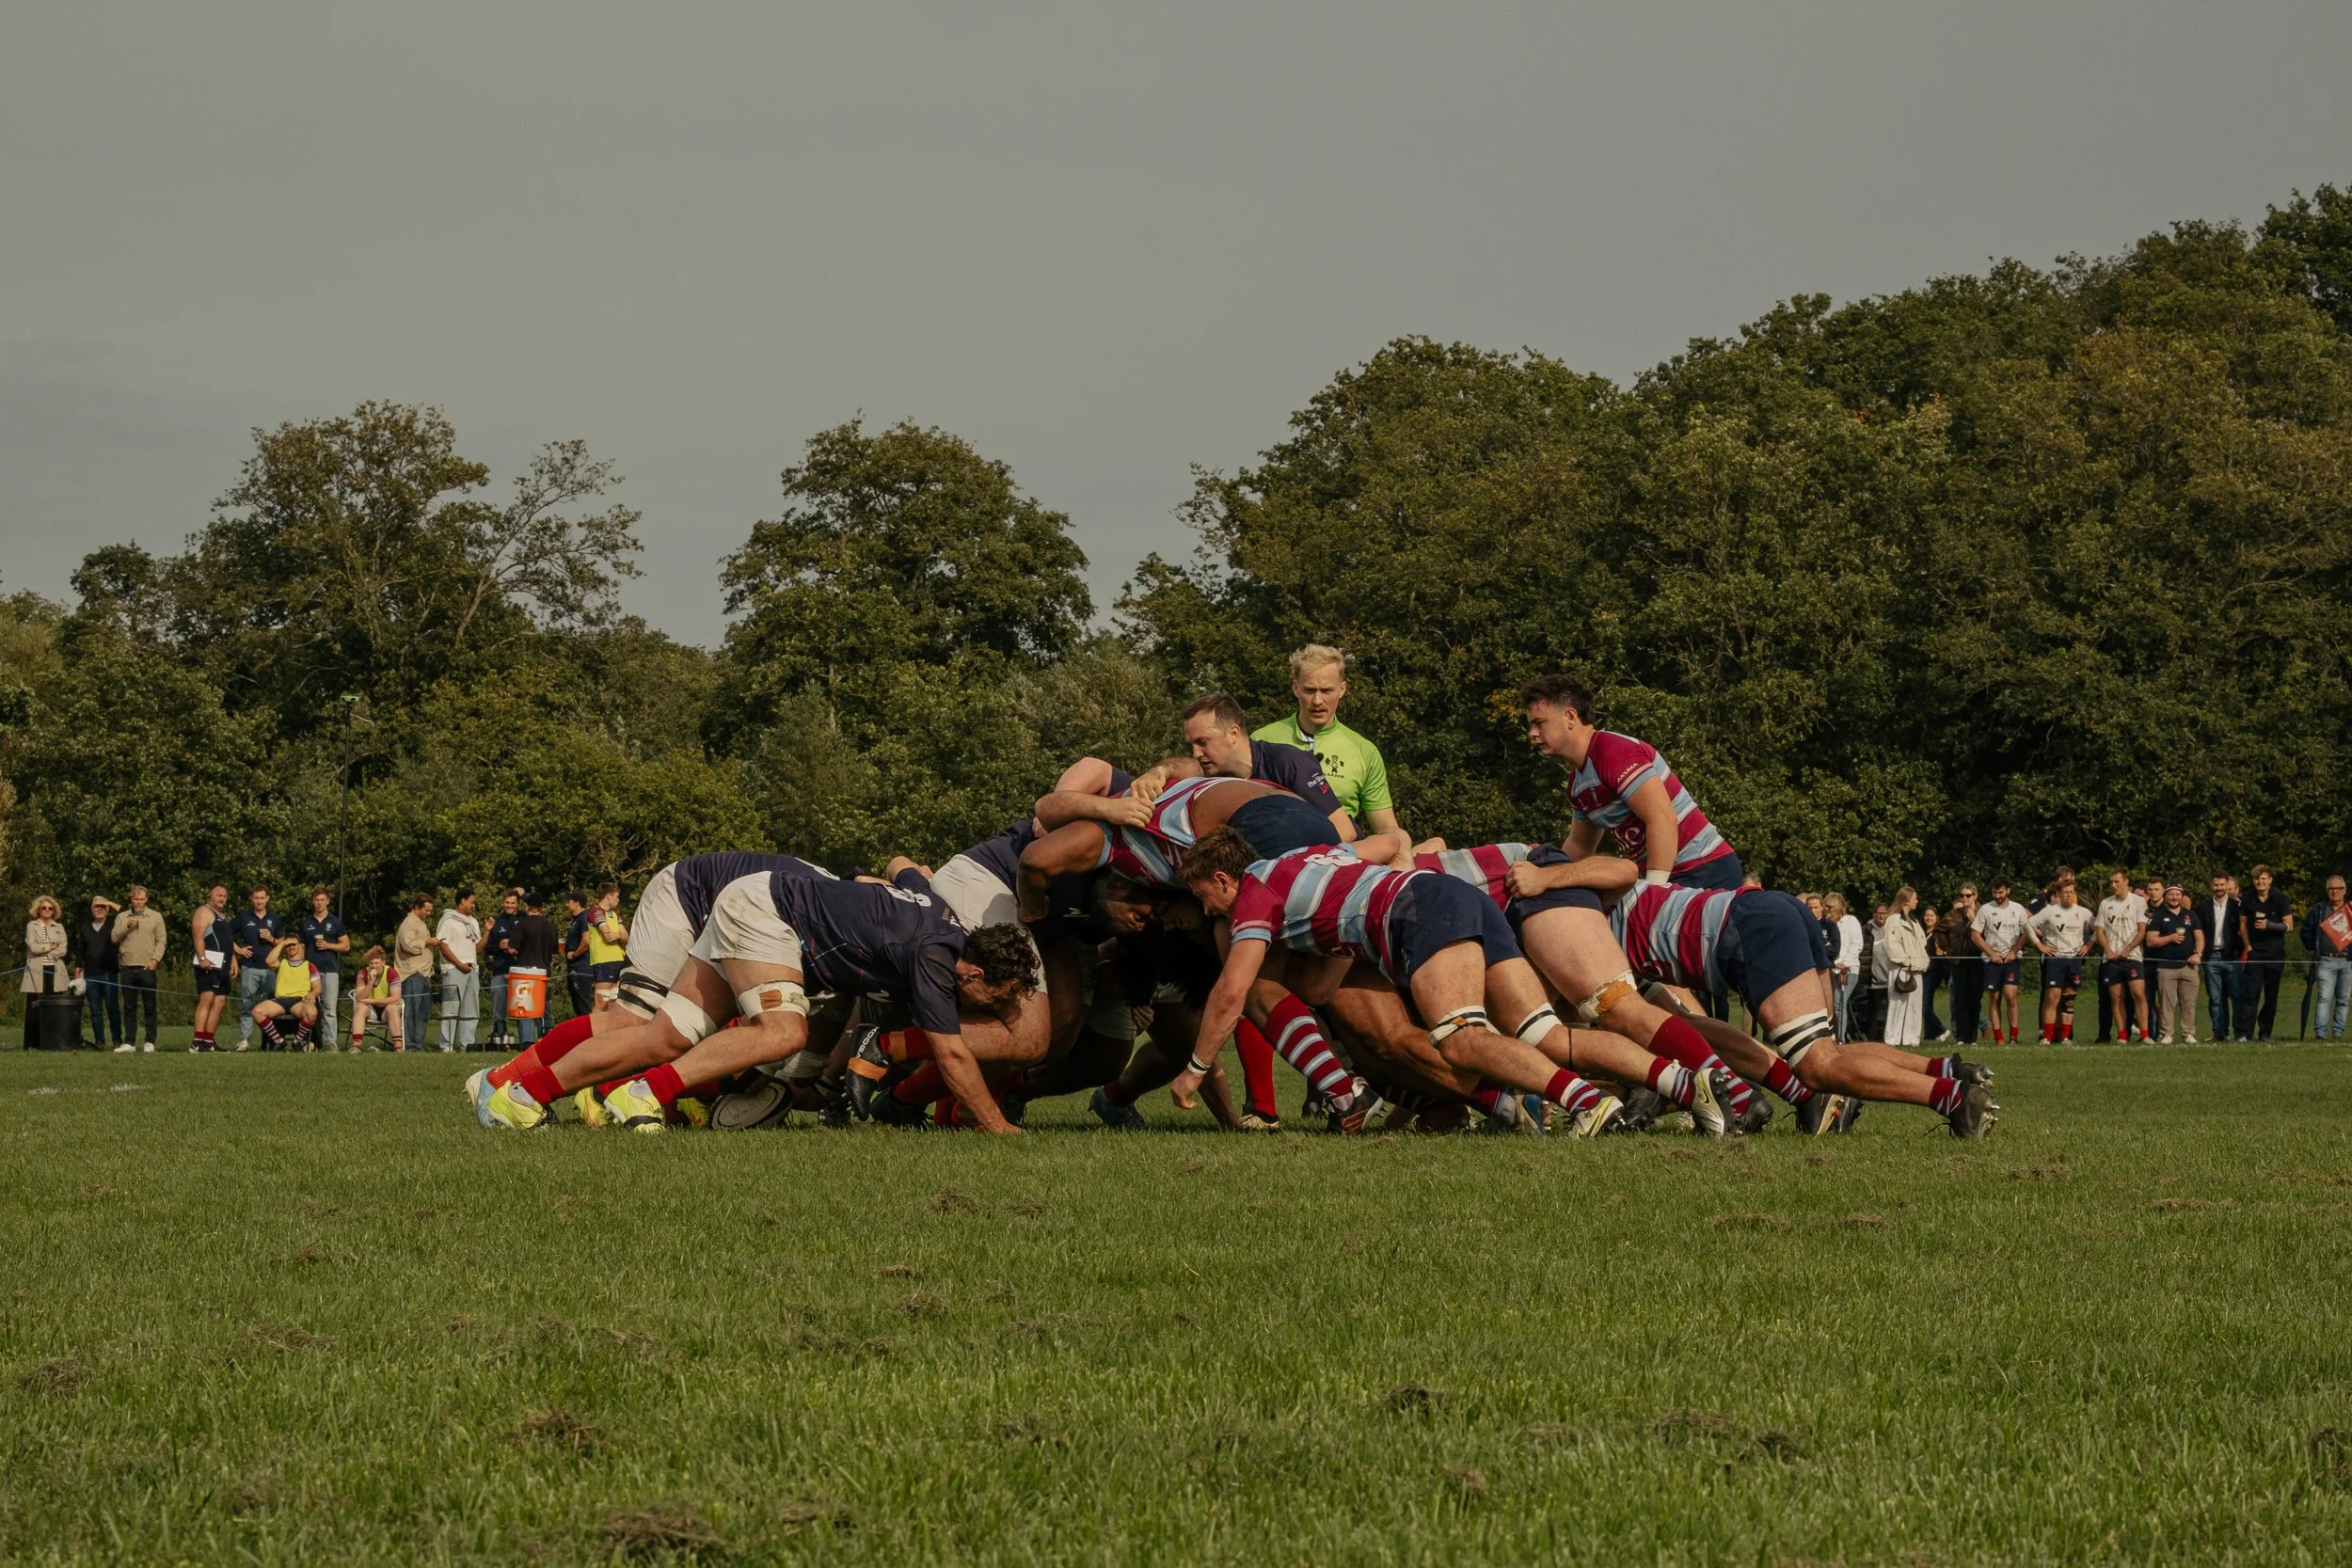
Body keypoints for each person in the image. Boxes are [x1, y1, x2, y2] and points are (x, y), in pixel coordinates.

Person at [1511, 852, 1998, 1138]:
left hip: (1742, 930)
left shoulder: (1571, 911)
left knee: (1818, 1063)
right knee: (1822, 1051)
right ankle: (1945, 1070)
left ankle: (1950, 1099)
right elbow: (1684, 1027)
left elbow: (1614, 870)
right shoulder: (1591, 916)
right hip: (1759, 914)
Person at [1177, 835, 1632, 1137]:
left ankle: (1587, 1101)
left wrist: (1196, 1069)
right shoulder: (1303, 857)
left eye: (1203, 896)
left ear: (1222, 878)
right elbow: (1387, 845)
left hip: (1415, 912)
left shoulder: (1253, 896)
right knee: (1535, 1029)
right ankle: (1646, 1085)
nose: (1207, 909)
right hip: (1446, 894)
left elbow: (1233, 991)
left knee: (1461, 1039)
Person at [1518, 673, 1743, 890]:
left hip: (1705, 867)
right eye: (1531, 725)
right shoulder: (1577, 783)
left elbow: (1662, 818)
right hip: (1673, 873)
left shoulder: (1614, 753)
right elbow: (1579, 846)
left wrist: (1655, 891)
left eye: (1539, 723)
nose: (1532, 733)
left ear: (1570, 717)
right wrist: (1544, 877)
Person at [1251, 644, 1405, 845]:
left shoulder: (1364, 751)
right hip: (1277, 854)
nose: (1317, 700)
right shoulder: (1262, 739)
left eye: (1326, 691)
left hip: (1342, 857)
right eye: (1309, 690)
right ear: (1295, 687)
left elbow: (1386, 827)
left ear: (1342, 689)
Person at [1178, 692, 1355, 843]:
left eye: (1202, 742)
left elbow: (1345, 832)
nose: (1196, 754)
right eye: (1191, 745)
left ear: (1233, 733)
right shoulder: (1215, 782)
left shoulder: (1289, 762)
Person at [2027, 878, 2091, 1043]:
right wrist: (2039, 945)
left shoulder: (2083, 912)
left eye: (2071, 892)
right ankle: (2047, 1037)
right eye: (2065, 893)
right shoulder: (2049, 911)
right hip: (2055, 959)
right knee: (2052, 997)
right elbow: (2027, 925)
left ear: (2074, 894)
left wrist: (2089, 945)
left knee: (2069, 999)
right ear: (2059, 894)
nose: (2068, 895)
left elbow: (2099, 927)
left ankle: (2065, 1037)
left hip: (2074, 959)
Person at [1970, 879, 2031, 1044]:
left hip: (2011, 960)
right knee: (1995, 997)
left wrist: (2014, 951)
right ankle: (1999, 1038)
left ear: (2008, 891)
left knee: (2011, 995)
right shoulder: (1986, 909)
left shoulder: (2017, 909)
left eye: (2001, 893)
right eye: (1995, 893)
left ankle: (2014, 1036)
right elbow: (1975, 934)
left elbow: (2027, 933)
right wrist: (1990, 953)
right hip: (1992, 961)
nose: (1997, 896)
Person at [2093, 867, 2150, 1044]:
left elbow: (2142, 930)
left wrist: (2128, 949)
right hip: (2111, 959)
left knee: (2139, 994)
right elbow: (2099, 931)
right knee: (2115, 997)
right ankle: (2122, 1035)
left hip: (2132, 957)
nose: (2113, 885)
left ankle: (2145, 1034)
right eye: (2111, 882)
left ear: (2126, 882)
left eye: (2116, 882)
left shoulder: (2139, 902)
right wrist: (2108, 950)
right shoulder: (2105, 903)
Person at [2239, 864, 2292, 1041]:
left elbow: (2289, 926)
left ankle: (2265, 1032)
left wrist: (2270, 925)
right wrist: (2248, 946)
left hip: (2275, 953)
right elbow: (2242, 925)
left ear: (2270, 880)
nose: (2259, 882)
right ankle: (2245, 1033)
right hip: (2255, 953)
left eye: (2263, 878)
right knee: (2251, 994)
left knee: (2271, 996)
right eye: (2256, 879)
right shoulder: (2247, 897)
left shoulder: (2280, 897)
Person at [111, 885, 166, 1052]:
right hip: (127, 967)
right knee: (129, 1006)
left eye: (142, 899)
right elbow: (114, 938)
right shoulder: (122, 917)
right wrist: (127, 925)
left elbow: (161, 941)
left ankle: (150, 1041)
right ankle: (129, 1042)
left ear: (146, 899)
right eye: (136, 899)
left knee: (149, 1005)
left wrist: (155, 960)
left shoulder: (155, 917)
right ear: (131, 899)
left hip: (147, 966)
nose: (139, 902)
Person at [2144, 882, 2201, 1042]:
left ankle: (2188, 1033)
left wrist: (2198, 953)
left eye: (2177, 894)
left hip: (2189, 966)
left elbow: (2200, 937)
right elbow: (2150, 941)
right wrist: (2170, 938)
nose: (2174, 897)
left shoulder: (2191, 915)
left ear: (2182, 896)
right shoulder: (2158, 916)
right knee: (2166, 1003)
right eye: (2171, 894)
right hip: (2166, 966)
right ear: (2165, 896)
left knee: (2189, 1003)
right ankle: (2167, 1033)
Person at [229, 885, 283, 1050]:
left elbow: (284, 942)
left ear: (267, 899)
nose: (259, 901)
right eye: (256, 898)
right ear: (252, 899)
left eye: (262, 898)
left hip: (270, 969)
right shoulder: (244, 917)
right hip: (249, 967)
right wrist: (238, 950)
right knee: (247, 1004)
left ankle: (267, 1041)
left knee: (268, 1007)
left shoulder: (275, 919)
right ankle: (245, 1040)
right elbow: (225, 934)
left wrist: (272, 939)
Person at [2195, 874, 2246, 1043]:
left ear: (2227, 886)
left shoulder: (2237, 906)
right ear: (2211, 886)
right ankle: (2219, 1032)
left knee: (2237, 996)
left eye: (2222, 885)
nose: (2219, 888)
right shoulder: (2203, 907)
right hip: (2211, 957)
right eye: (2216, 885)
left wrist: (2240, 949)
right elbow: (2198, 932)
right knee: (2216, 999)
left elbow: (2245, 930)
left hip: (2231, 957)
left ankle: (2240, 1033)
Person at [506, 891, 561, 1048]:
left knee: (526, 1008)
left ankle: (527, 1042)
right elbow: (555, 950)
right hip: (544, 971)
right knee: (545, 1008)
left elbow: (511, 948)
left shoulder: (522, 924)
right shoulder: (551, 926)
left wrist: (513, 948)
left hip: (525, 972)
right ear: (541, 907)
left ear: (527, 906)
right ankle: (548, 1042)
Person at [249, 935, 322, 1050]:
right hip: (280, 1000)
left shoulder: (309, 965)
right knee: (257, 1012)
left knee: (312, 1013)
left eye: (293, 944)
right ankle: (278, 1040)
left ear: (300, 946)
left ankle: (297, 1041)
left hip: (299, 1000)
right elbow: (269, 961)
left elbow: (317, 987)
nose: (291, 947)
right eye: (288, 945)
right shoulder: (281, 964)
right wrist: (282, 944)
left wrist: (312, 994)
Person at [298, 889, 349, 1049]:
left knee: (329, 1007)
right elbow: (301, 947)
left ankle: (330, 1042)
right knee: (310, 1007)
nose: (319, 903)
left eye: (322, 900)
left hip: (330, 970)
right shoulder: (306, 922)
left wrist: (329, 945)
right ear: (312, 902)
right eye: (316, 900)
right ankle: (311, 1041)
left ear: (328, 901)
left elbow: (346, 945)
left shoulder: (335, 921)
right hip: (310, 970)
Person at [2303, 875, 2352, 1040]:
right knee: (2324, 998)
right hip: (2326, 960)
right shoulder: (2318, 910)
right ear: (2327, 891)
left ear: (2344, 891)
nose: (2335, 892)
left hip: (2348, 961)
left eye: (2338, 888)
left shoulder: (2350, 910)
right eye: (2331, 889)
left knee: (2344, 1000)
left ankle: (2338, 1032)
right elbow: (2306, 932)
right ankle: (2320, 1034)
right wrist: (2314, 946)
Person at [72, 894, 123, 1050]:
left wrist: (108, 901)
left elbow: (126, 912)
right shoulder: (85, 927)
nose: (100, 909)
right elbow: (80, 950)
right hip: (91, 974)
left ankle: (117, 1039)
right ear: (91, 909)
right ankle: (99, 1041)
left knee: (112, 1007)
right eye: (96, 907)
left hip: (109, 973)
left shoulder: (114, 923)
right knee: (95, 1010)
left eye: (103, 907)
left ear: (107, 909)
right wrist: (77, 970)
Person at [1880, 888, 1931, 1046]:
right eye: (1915, 898)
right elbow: (1891, 944)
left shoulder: (1914, 920)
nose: (1917, 901)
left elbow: (1922, 942)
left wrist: (1922, 961)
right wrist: (1905, 960)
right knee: (1897, 1005)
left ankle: (1911, 1039)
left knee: (1915, 1007)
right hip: (1901, 968)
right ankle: (1892, 1039)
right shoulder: (1894, 919)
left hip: (1916, 967)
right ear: (1906, 900)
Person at [435, 890, 483, 1052]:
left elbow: (478, 947)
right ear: (462, 901)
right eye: (471, 902)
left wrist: (489, 931)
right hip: (453, 969)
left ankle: (467, 1044)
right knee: (451, 1008)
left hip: (471, 969)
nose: (473, 905)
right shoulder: (447, 920)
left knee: (471, 1009)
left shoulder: (473, 922)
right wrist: (459, 964)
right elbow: (442, 945)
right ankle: (446, 1045)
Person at [190, 884, 232, 1051]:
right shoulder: (204, 911)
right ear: (210, 897)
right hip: (209, 963)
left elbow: (227, 941)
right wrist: (202, 958)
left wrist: (234, 960)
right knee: (207, 999)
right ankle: (197, 1041)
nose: (222, 898)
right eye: (218, 895)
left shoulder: (222, 916)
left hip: (223, 964)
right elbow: (197, 935)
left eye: (224, 896)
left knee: (219, 1001)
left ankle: (209, 1041)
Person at [393, 894, 437, 1053]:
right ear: (417, 907)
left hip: (424, 974)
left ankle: (418, 1044)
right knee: (412, 1011)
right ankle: (410, 1045)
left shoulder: (420, 923)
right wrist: (427, 942)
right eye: (427, 910)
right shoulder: (409, 923)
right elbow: (408, 945)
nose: (429, 913)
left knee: (422, 1011)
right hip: (412, 973)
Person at [482, 889, 523, 1050]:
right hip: (500, 968)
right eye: (507, 903)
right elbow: (487, 948)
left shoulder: (524, 919)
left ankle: (523, 1040)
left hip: (520, 969)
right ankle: (500, 1035)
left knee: (521, 1005)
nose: (510, 906)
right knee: (498, 1004)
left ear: (518, 904)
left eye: (513, 903)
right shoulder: (497, 922)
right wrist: (499, 946)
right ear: (502, 902)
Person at [1822, 893, 1863, 1039]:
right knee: (1830, 1004)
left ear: (1838, 908)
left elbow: (1856, 945)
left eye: (1830, 908)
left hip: (1849, 970)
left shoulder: (1850, 921)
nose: (1827, 912)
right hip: (1831, 969)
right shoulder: (1826, 925)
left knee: (1840, 1002)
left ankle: (1840, 1038)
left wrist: (1844, 963)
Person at [347, 946, 403, 1050]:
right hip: (370, 1009)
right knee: (360, 1007)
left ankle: (398, 1046)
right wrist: (371, 981)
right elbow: (359, 997)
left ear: (383, 962)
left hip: (386, 1009)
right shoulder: (363, 973)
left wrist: (374, 1001)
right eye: (371, 963)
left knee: (392, 1008)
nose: (374, 966)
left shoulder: (391, 973)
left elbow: (395, 998)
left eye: (376, 963)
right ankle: (356, 1046)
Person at [585, 881, 628, 1009]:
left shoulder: (615, 914)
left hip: (618, 960)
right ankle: (594, 1029)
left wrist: (619, 936)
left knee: (614, 1004)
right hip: (603, 962)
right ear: (608, 896)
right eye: (616, 896)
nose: (618, 899)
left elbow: (626, 937)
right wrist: (618, 934)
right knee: (601, 1003)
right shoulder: (595, 912)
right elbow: (608, 935)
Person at [22, 895, 69, 1003]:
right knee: (35, 1004)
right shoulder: (31, 926)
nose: (47, 910)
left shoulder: (59, 927)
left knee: (53, 1003)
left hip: (55, 969)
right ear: (38, 910)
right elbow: (33, 947)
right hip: (36, 969)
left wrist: (49, 954)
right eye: (44, 908)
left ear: (54, 911)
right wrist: (50, 947)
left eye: (50, 908)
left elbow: (63, 950)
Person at [563, 892, 597, 1019]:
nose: (566, 905)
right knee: (577, 1004)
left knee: (583, 1005)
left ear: (577, 904)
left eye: (569, 902)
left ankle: (588, 1035)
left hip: (581, 967)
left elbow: (586, 940)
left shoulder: (584, 918)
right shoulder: (575, 919)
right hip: (574, 968)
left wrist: (575, 954)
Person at [1920, 906, 1947, 1039]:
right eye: (1927, 915)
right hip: (1925, 971)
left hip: (1934, 971)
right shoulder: (1923, 933)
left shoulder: (1937, 934)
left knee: (1923, 1005)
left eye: (1931, 915)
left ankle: (1941, 1029)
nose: (1929, 918)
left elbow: (1941, 953)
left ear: (1937, 918)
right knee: (1928, 1003)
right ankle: (1929, 1035)